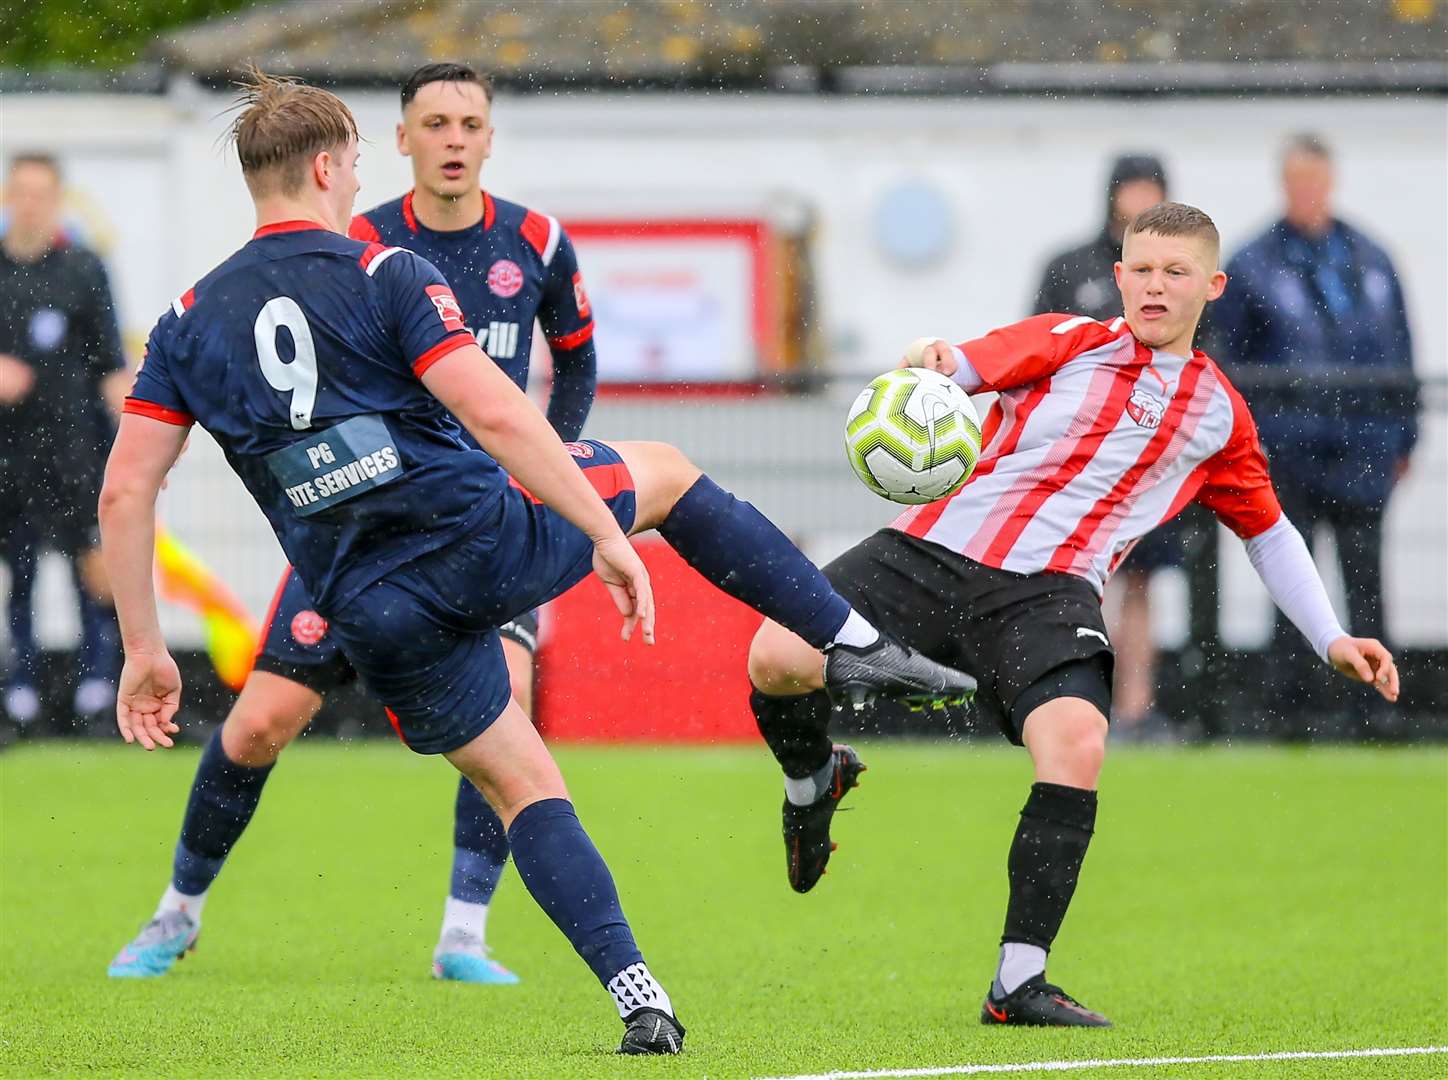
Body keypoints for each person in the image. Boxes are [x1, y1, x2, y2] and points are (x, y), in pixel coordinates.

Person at [98, 71, 973, 1054]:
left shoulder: (183, 322)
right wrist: (603, 532)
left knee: (524, 789)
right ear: (328, 166)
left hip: (371, 608)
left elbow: (126, 493)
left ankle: (641, 1000)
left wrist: (144, 647)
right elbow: (496, 410)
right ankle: (848, 642)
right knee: (669, 478)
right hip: (479, 540)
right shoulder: (383, 271)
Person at [745, 202, 1400, 1028]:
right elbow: (959, 366)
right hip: (930, 548)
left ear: (1213, 286)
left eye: (1177, 273)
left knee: (1077, 741)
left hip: (1048, 595)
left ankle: (1018, 982)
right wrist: (929, 359)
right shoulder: (1067, 340)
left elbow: (1267, 532)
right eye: (1143, 270)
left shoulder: (1218, 415)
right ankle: (813, 783)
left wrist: (1332, 636)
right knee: (774, 658)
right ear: (1120, 276)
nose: (1156, 287)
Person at [108, 63, 599, 988]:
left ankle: (464, 935)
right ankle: (178, 910)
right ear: (395, 143)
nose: (455, 138)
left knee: (512, 704)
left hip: (480, 522)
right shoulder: (356, 247)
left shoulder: (535, 242)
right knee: (257, 725)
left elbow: (573, 364)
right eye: (434, 123)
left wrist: (552, 468)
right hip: (354, 531)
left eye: (471, 122)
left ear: (491, 137)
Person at [1209, 133, 1418, 739]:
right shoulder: (1251, 265)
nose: (1309, 194)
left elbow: (1401, 351)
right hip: (1287, 451)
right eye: (1298, 181)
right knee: (1291, 581)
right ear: (1285, 184)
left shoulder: (1371, 260)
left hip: (1362, 449)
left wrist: (1406, 437)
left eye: (1317, 181)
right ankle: (1289, 714)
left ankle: (1378, 713)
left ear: (1331, 182)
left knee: (1368, 584)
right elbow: (1231, 362)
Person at [1032, 153, 1179, 741]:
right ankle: (1077, 706)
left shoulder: (1178, 277)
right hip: (1075, 458)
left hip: (1147, 457)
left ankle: (1137, 710)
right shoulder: (1071, 269)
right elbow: (1038, 346)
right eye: (1133, 194)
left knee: (1140, 584)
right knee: (1076, 584)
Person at [0, 153, 128, 732]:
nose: (30, 203)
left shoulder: (83, 268)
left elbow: (110, 367)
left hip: (76, 453)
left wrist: (137, 451)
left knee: (94, 575)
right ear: (8, 197)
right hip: (8, 457)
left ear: (57, 200)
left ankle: (95, 695)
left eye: (41, 193)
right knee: (19, 576)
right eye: (20, 192)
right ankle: (20, 696)